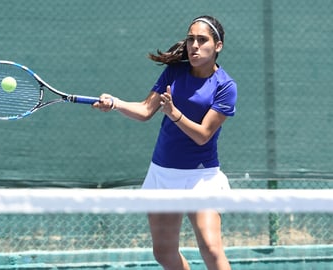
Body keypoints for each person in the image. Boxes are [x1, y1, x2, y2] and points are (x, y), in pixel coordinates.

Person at [93, 15, 236, 270]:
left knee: (212, 250)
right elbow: (146, 110)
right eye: (191, 39)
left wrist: (174, 114)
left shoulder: (225, 86)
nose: (194, 45)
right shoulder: (174, 72)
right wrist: (116, 103)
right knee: (163, 252)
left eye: (202, 40)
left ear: (218, 46)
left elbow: (203, 135)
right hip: (163, 174)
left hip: (201, 178)